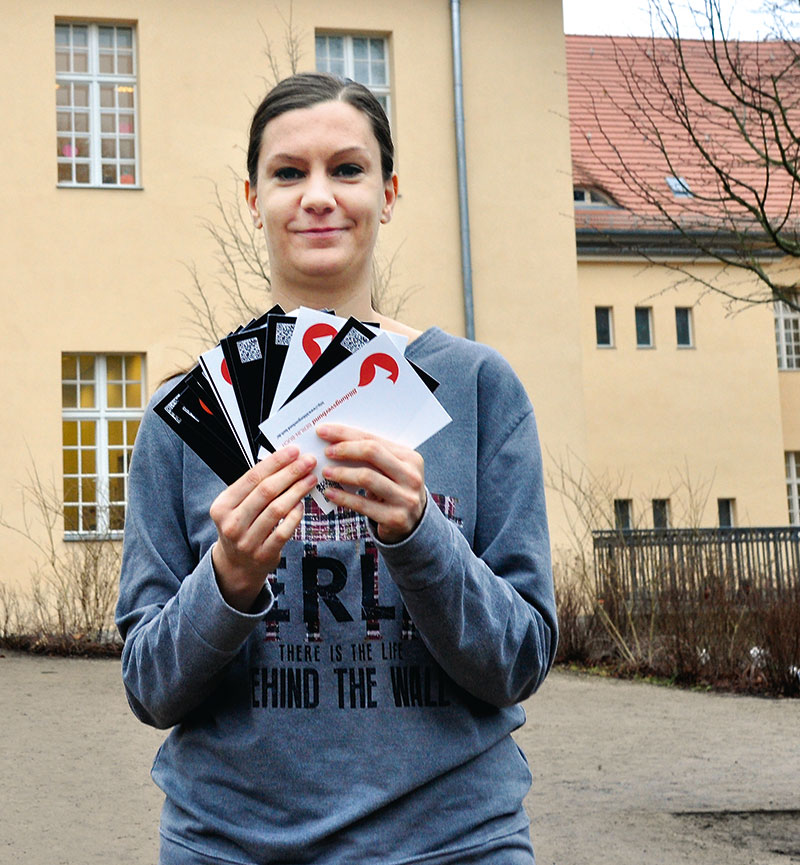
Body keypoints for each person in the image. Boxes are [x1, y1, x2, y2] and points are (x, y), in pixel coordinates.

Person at [116, 71, 558, 865]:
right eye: (289, 172)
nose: (317, 195)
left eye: (346, 169)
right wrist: (229, 579)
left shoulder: (480, 389)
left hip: (453, 841)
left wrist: (423, 535)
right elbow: (150, 687)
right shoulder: (183, 417)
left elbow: (519, 661)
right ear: (253, 199)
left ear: (388, 193)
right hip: (229, 843)